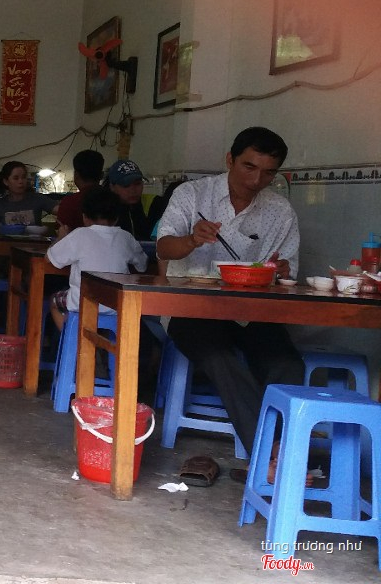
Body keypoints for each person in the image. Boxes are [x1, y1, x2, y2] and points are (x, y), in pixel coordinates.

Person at [155, 126, 304, 463]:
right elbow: (163, 247)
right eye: (249, 167)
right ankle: (270, 457)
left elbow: (287, 272)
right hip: (190, 307)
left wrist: (281, 271)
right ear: (230, 160)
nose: (256, 180)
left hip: (251, 311)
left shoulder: (280, 211)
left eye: (268, 172)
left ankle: (281, 449)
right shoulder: (193, 195)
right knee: (220, 359)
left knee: (287, 363)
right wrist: (191, 240)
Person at [46, 187, 147, 332]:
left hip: (82, 303)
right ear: (117, 217)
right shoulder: (126, 237)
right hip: (117, 305)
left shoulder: (79, 234)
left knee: (54, 301)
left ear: (85, 217)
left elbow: (49, 258)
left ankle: (73, 339)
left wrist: (61, 237)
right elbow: (143, 265)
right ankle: (96, 342)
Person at [0, 160, 57, 231]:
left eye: (23, 177)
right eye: (16, 178)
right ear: (6, 181)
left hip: (35, 238)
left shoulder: (38, 199)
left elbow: (60, 211)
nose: (21, 181)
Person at [103, 159, 161, 241]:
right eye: (126, 185)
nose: (133, 190)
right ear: (112, 187)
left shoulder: (154, 203)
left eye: (137, 184)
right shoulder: (104, 209)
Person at [54, 150, 105, 235]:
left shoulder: (70, 202)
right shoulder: (113, 199)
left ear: (76, 175)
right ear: (102, 175)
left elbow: (61, 233)